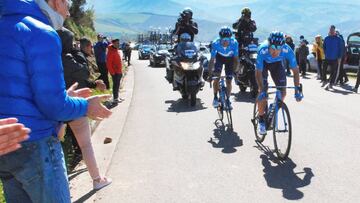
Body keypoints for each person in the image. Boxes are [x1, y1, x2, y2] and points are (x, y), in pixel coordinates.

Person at [0, 0, 112, 202]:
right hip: (37, 146)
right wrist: (86, 106)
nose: (68, 13)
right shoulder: (41, 33)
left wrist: (65, 98)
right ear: (55, 2)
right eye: (67, 5)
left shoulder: (5, 25)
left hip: (6, 147)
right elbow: (53, 106)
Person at [58, 29, 112, 190]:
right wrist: (76, 51)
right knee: (86, 145)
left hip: (55, 105)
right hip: (75, 104)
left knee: (53, 145)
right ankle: (97, 180)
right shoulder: (72, 58)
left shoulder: (48, 57)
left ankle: (61, 182)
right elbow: (84, 71)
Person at [255, 31, 302, 135]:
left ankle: (273, 107)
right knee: (262, 92)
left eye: (278, 49)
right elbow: (258, 73)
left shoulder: (287, 50)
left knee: (283, 92)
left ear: (282, 46)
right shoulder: (262, 50)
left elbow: (296, 71)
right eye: (272, 48)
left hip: (277, 64)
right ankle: (261, 120)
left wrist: (297, 89)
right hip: (263, 64)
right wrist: (261, 89)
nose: (274, 52)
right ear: (268, 44)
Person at [208, 26, 239, 110]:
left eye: (227, 40)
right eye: (223, 40)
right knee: (216, 78)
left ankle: (228, 99)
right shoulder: (215, 43)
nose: (225, 42)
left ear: (230, 39)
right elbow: (212, 60)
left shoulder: (234, 43)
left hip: (230, 59)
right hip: (219, 58)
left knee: (229, 81)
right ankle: (215, 97)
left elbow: (236, 60)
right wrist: (210, 73)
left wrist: (236, 71)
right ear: (220, 39)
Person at [323, 25, 343, 90]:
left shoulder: (338, 39)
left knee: (333, 72)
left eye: (332, 30)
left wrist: (339, 56)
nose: (331, 31)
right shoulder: (326, 38)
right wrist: (325, 53)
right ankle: (324, 80)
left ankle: (331, 84)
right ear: (329, 30)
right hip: (327, 57)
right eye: (330, 30)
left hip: (335, 58)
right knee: (324, 69)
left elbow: (341, 48)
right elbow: (324, 47)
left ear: (334, 31)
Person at [107, 39, 123, 103]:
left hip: (118, 71)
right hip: (115, 72)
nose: (118, 44)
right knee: (115, 85)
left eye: (118, 43)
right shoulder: (111, 51)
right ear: (113, 44)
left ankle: (117, 97)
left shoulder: (116, 50)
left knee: (117, 85)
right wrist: (112, 73)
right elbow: (108, 64)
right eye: (117, 43)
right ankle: (115, 98)